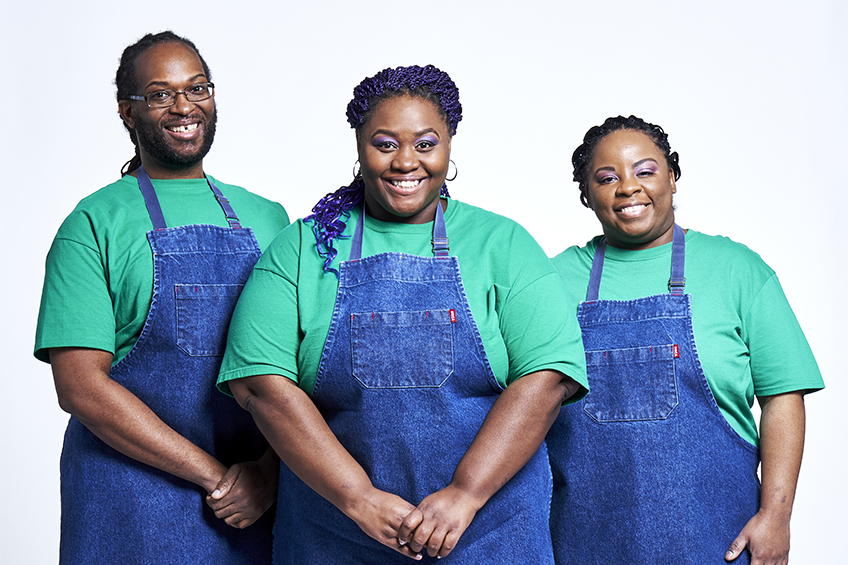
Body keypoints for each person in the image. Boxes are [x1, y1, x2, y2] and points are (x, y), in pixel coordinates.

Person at [217, 64, 588, 564]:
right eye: (385, 143)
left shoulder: (503, 245)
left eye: (425, 143)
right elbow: (261, 383)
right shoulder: (303, 249)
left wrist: (466, 493)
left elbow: (547, 377)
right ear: (358, 144)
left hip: (489, 536)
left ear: (450, 144)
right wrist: (357, 498)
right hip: (333, 536)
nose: (405, 162)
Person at [34, 31, 289, 564]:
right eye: (159, 93)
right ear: (128, 113)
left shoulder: (269, 218)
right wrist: (216, 478)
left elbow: (299, 363)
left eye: (198, 88)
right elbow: (81, 388)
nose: (183, 106)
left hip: (255, 506)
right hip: (126, 502)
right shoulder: (92, 225)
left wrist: (266, 472)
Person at [547, 115, 824, 565]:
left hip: (718, 542)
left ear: (672, 178)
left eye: (645, 171)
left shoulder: (737, 270)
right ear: (586, 195)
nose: (628, 187)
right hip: (582, 542)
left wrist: (776, 515)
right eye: (606, 177)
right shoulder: (552, 281)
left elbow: (783, 396)